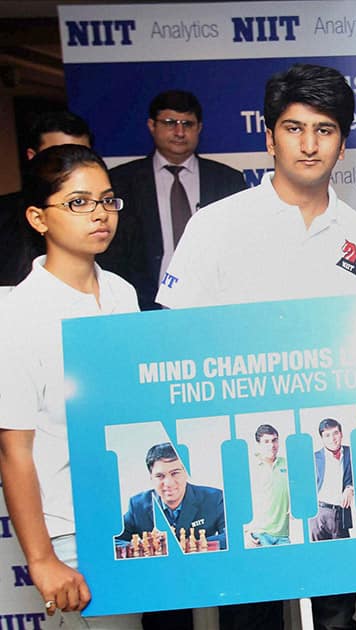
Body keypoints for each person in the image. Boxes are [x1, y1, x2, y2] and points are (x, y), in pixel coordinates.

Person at [157, 63, 356, 630]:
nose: (309, 145)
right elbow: (173, 340)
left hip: (330, 456)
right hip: (246, 456)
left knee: (336, 616)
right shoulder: (216, 224)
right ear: (268, 136)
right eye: (293, 128)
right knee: (249, 617)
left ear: (344, 143)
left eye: (325, 130)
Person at [0, 144, 141, 629]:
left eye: (107, 200)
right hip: (71, 534)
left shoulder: (123, 294)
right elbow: (13, 449)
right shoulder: (19, 314)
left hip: (132, 522)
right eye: (79, 202)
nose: (100, 214)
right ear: (39, 218)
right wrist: (42, 560)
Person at [100, 90, 246, 310]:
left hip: (213, 305)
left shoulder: (228, 180)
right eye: (170, 123)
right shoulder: (122, 181)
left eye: (188, 124)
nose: (179, 132)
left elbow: (240, 248)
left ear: (199, 128)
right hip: (142, 307)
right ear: (152, 125)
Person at [0, 111, 93, 286]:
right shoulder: (4, 218)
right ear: (32, 156)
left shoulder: (107, 217)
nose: (72, 168)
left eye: (82, 156)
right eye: (59, 159)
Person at [117, 443, 227, 549]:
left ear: (185, 472)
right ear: (151, 477)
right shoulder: (138, 505)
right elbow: (112, 541)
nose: (169, 483)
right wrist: (145, 546)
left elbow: (232, 536)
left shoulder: (214, 498)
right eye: (160, 476)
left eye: (175, 473)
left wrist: (190, 546)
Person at [246, 424, 291, 547]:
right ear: (258, 444)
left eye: (274, 440)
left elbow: (300, 489)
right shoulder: (250, 466)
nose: (271, 445)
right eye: (266, 441)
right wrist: (245, 531)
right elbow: (238, 501)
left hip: (283, 535)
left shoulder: (287, 464)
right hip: (259, 534)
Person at [310, 418, 354, 543]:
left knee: (344, 554)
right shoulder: (314, 458)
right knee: (319, 555)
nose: (332, 438)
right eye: (327, 435)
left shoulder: (351, 453)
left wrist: (350, 488)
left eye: (335, 433)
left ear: (341, 434)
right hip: (318, 513)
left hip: (340, 512)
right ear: (322, 438)